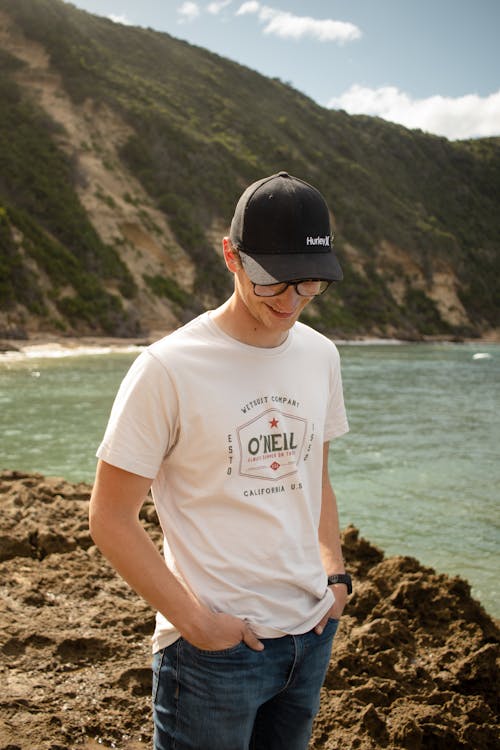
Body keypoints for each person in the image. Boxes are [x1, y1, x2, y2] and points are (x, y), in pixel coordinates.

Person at [89, 171, 351, 750]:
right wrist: (197, 625)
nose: (291, 302)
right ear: (231, 256)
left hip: (311, 632)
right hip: (216, 654)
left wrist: (334, 576)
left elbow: (317, 478)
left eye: (310, 285)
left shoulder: (321, 355)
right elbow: (109, 519)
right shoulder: (167, 369)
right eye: (272, 282)